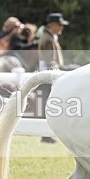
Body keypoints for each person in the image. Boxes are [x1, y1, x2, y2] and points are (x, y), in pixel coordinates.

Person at [37, 12, 69, 143]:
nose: (62, 27)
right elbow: (50, 61)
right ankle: (46, 134)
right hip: (50, 74)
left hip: (50, 73)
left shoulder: (50, 37)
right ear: (53, 25)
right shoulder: (48, 39)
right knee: (49, 103)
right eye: (60, 25)